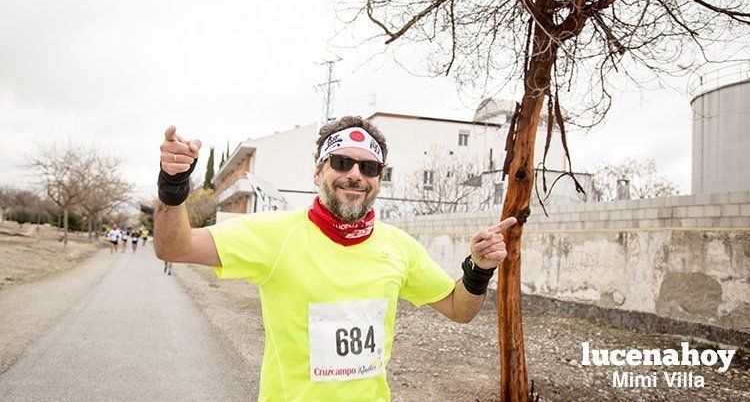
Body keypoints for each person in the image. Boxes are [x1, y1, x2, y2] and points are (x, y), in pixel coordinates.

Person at [154, 117, 515, 402]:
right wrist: (173, 184)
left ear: (378, 180)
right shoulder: (273, 235)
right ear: (318, 173)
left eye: (369, 168)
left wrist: (479, 269)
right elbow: (174, 247)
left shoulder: (399, 247)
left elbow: (459, 309)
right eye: (341, 163)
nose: (355, 175)